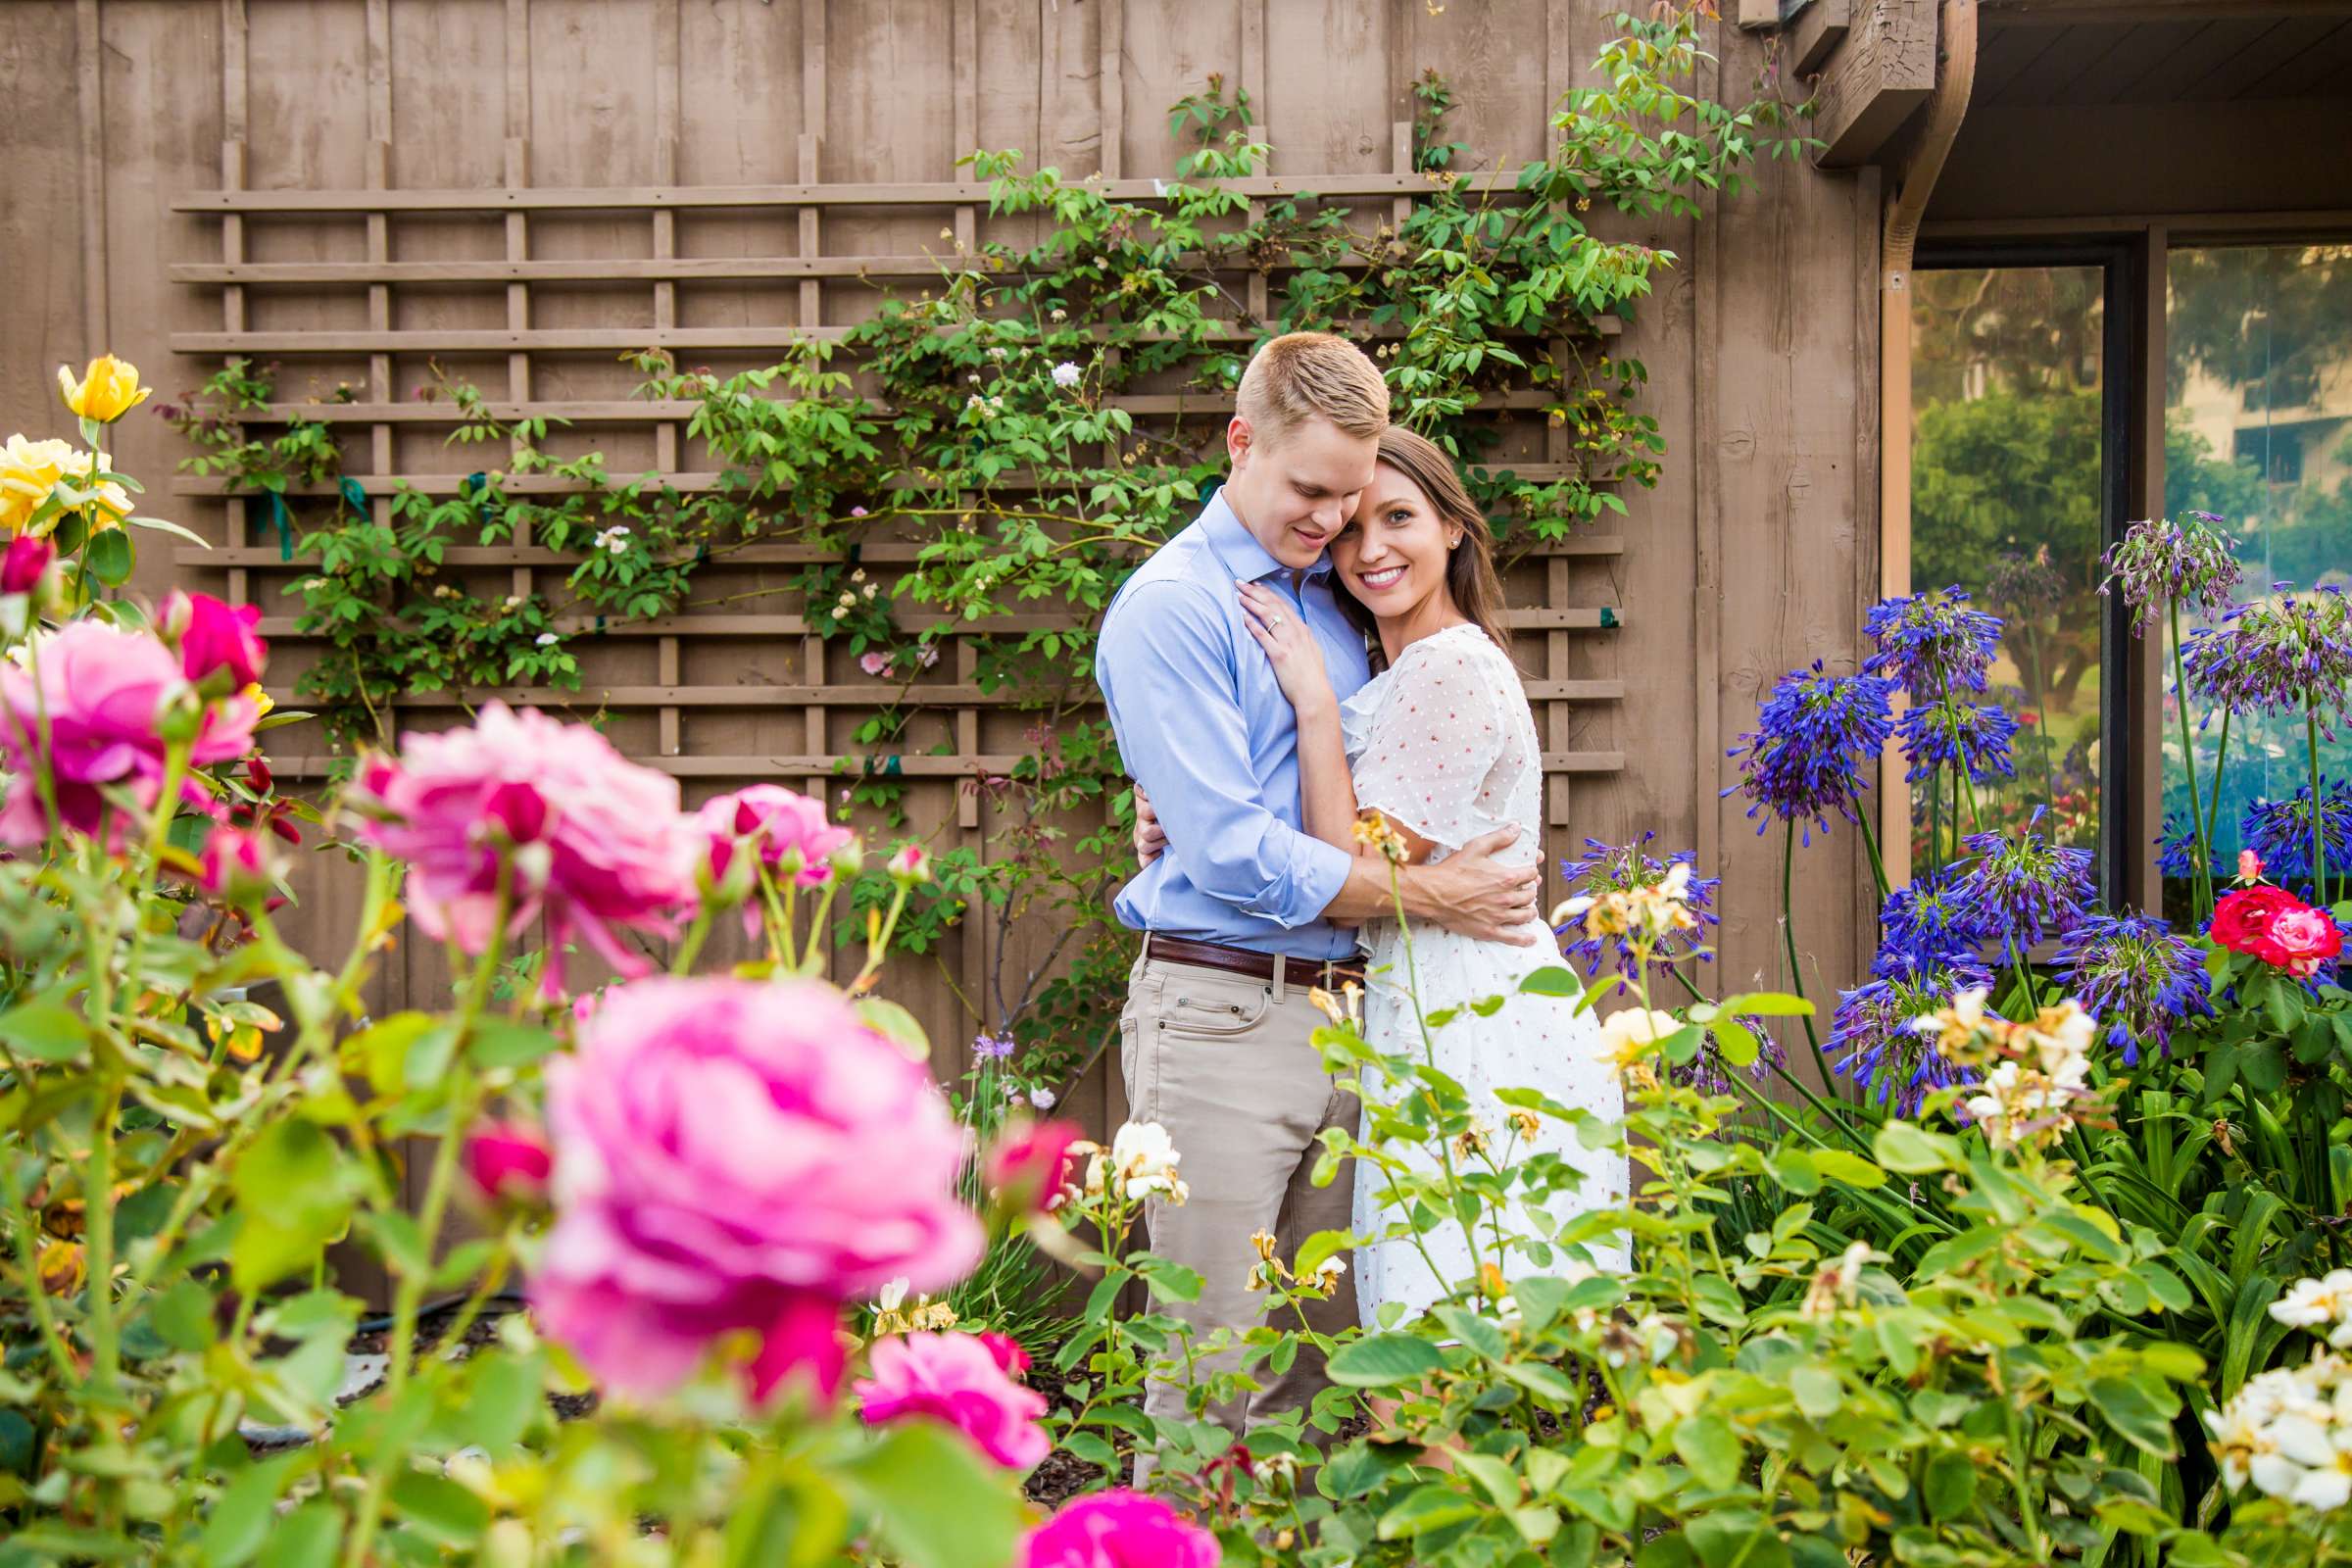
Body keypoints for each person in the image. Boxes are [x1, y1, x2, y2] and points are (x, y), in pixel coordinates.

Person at [1095, 333, 1543, 1465]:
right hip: (1225, 1016)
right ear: (1239, 443)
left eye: (1351, 500)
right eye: (1311, 492)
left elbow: (1349, 786)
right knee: (1211, 1375)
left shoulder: (1337, 607)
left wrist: (1166, 824)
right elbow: (1239, 851)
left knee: (1323, 1375)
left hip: (1359, 1020)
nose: (1333, 523)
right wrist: (1436, 892)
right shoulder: (1175, 610)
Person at [1225, 424, 1626, 1325]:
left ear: (1452, 527)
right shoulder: (1404, 669)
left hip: (1472, 1021)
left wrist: (1315, 707)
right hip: (1429, 999)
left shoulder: (1447, 668)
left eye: (1398, 517)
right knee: (1449, 1324)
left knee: (1436, 1330)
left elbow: (1355, 864)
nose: (1371, 550)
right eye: (1351, 531)